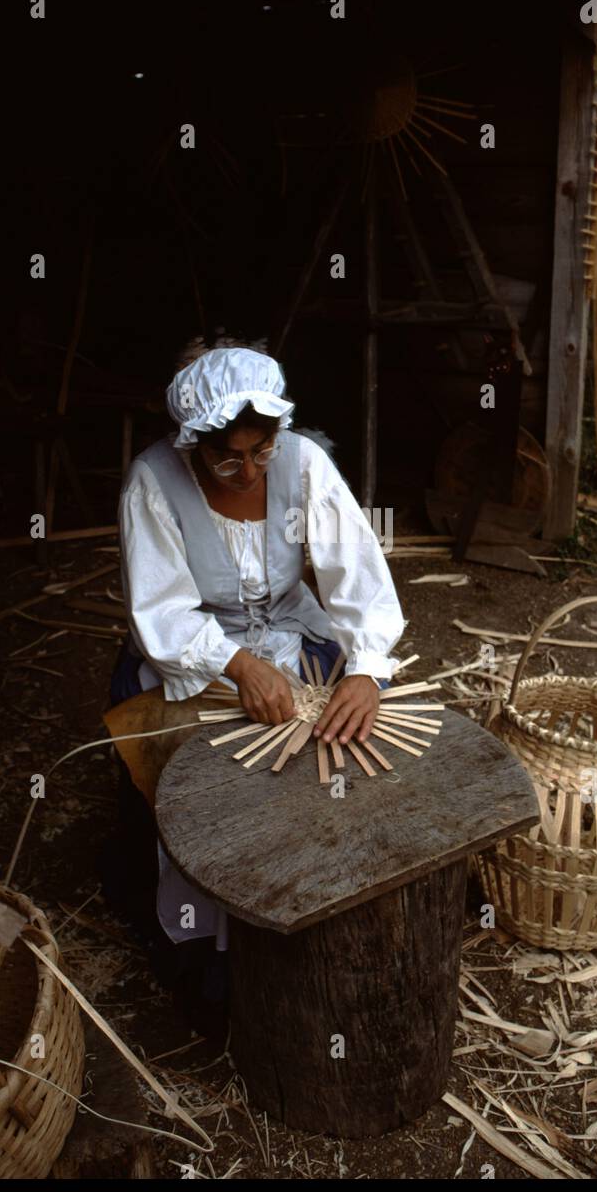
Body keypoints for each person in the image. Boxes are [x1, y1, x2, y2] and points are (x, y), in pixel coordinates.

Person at [102, 337, 405, 1036]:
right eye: (225, 456)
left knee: (335, 760)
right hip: (193, 657)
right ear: (191, 443)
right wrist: (238, 665)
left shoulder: (302, 463)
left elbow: (356, 572)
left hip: (292, 633)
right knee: (206, 788)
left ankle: (314, 916)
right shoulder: (153, 480)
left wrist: (364, 668)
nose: (246, 470)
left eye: (259, 450)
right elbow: (162, 611)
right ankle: (208, 951)